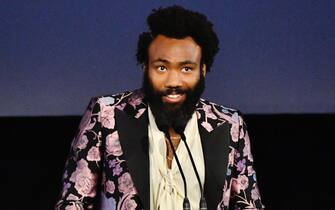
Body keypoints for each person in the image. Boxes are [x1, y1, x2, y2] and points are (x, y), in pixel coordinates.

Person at [55, 5, 264, 210]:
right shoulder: (106, 115)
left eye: (186, 68)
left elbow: (248, 204)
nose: (174, 80)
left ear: (203, 70)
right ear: (145, 67)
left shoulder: (230, 125)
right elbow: (74, 202)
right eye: (162, 67)